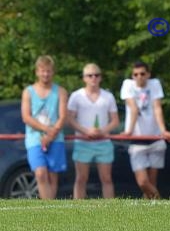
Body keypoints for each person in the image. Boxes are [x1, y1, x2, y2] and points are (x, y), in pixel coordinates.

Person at [120, 61, 170, 199]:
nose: (139, 77)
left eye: (142, 74)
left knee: (152, 181)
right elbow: (133, 108)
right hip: (137, 139)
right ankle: (160, 202)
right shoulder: (128, 85)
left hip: (154, 137)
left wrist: (163, 131)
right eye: (136, 74)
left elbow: (157, 108)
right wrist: (129, 131)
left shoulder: (154, 84)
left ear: (148, 75)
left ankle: (150, 211)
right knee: (143, 182)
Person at [67, 63, 120, 199]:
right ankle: (77, 211)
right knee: (81, 178)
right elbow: (70, 119)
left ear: (100, 77)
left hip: (103, 142)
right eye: (90, 75)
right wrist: (86, 131)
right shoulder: (76, 96)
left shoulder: (108, 96)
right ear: (84, 78)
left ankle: (110, 211)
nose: (93, 78)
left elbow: (115, 120)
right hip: (82, 141)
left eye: (96, 75)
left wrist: (102, 131)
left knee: (107, 178)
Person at [21, 55, 68, 199]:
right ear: (37, 72)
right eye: (42, 71)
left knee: (53, 176)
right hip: (34, 139)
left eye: (48, 71)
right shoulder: (28, 92)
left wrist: (50, 135)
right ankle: (46, 208)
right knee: (41, 174)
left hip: (56, 139)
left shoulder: (60, 91)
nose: (45, 74)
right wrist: (46, 130)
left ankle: (49, 210)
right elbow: (26, 117)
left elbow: (63, 116)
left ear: (53, 72)